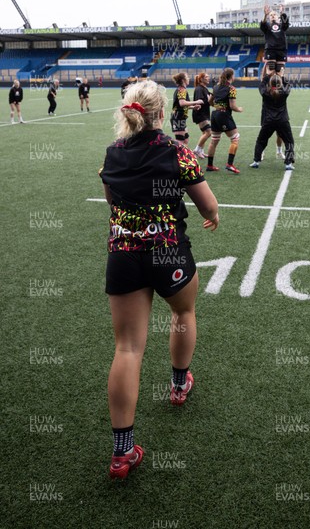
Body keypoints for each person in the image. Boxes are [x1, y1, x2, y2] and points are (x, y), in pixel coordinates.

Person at [98, 80, 219, 480]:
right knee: (183, 313)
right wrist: (213, 217)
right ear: (162, 113)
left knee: (128, 348)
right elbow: (208, 204)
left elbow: (112, 201)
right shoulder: (177, 151)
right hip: (168, 251)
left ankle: (121, 452)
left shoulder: (112, 155)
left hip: (125, 255)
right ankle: (179, 385)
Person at [249, 73, 295, 171]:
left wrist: (268, 75)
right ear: (280, 83)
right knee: (289, 142)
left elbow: (261, 84)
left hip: (268, 121)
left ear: (269, 83)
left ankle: (256, 161)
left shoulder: (265, 93)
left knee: (261, 141)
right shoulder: (284, 93)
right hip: (282, 121)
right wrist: (281, 75)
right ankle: (288, 163)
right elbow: (288, 84)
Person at [206, 67, 243, 174]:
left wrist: (217, 106)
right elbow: (232, 106)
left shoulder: (216, 86)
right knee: (235, 138)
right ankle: (229, 164)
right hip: (224, 115)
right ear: (231, 76)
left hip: (215, 114)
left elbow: (210, 102)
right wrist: (239, 109)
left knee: (214, 140)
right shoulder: (231, 88)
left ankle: (209, 165)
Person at [170, 72, 204, 145]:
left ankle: (182, 155)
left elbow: (183, 105)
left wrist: (193, 107)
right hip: (178, 117)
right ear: (183, 80)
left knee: (185, 139)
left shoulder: (182, 89)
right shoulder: (182, 90)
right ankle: (175, 155)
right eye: (187, 77)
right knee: (180, 141)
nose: (188, 78)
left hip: (180, 118)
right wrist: (196, 102)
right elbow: (182, 103)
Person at [260, 4, 289, 76]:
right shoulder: (267, 27)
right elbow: (262, 24)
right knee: (270, 69)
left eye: (275, 14)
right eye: (271, 15)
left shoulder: (282, 26)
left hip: (281, 50)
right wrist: (265, 15)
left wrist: (282, 12)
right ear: (268, 18)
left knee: (280, 71)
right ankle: (266, 84)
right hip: (270, 50)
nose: (272, 16)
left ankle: (280, 85)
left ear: (278, 18)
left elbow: (286, 23)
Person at [192, 72, 213, 159]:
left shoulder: (204, 88)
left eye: (208, 77)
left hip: (205, 113)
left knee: (204, 133)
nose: (208, 78)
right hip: (200, 114)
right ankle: (197, 150)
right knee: (208, 132)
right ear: (201, 79)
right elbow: (200, 101)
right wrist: (209, 99)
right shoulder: (199, 89)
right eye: (206, 77)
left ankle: (201, 151)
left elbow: (209, 100)